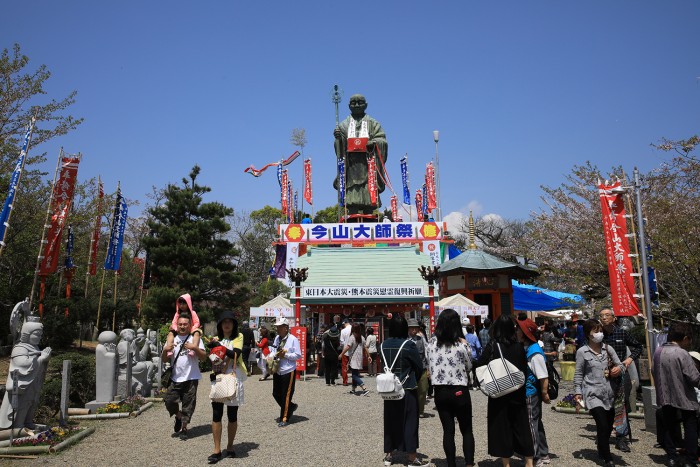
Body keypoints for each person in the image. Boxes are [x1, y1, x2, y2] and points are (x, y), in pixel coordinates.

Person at [476, 315, 534, 467]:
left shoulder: (493, 346)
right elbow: (524, 369)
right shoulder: (519, 346)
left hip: (499, 393)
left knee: (502, 427)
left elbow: (480, 363)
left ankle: (506, 463)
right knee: (522, 426)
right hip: (517, 391)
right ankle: (529, 461)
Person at [426, 309, 475, 467]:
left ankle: (451, 464)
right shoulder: (462, 344)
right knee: (466, 429)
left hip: (440, 392)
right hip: (459, 390)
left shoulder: (431, 344)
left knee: (448, 431)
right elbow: (469, 365)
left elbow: (429, 365)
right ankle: (468, 463)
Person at [573, 319, 624, 467]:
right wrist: (578, 392)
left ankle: (601, 447)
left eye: (600, 330)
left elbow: (620, 364)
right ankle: (608, 458)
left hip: (609, 393)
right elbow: (578, 374)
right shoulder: (582, 352)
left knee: (608, 426)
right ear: (588, 334)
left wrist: (618, 369)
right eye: (595, 331)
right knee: (602, 425)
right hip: (592, 393)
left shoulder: (608, 349)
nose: (599, 334)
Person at [381, 314, 428, 467]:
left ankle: (389, 455)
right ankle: (412, 457)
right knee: (410, 422)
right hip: (407, 387)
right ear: (404, 329)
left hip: (388, 388)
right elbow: (419, 367)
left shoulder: (383, 344)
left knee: (390, 421)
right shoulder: (409, 345)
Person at [332, 94, 389, 215]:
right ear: (349, 106)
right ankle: (352, 212)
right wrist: (339, 138)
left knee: (369, 199)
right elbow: (339, 149)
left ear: (366, 105)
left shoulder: (373, 123)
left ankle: (369, 213)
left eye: (360, 102)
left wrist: (373, 143)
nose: (357, 105)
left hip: (368, 164)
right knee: (352, 201)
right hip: (351, 166)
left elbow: (382, 141)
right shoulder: (343, 125)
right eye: (354, 103)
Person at [653, 321, 700, 467]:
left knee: (669, 425)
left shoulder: (658, 351)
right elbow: (694, 378)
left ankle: (672, 457)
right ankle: (691, 460)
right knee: (690, 426)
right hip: (684, 395)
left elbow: (653, 371)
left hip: (665, 394)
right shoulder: (682, 353)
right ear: (685, 338)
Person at [598, 308, 642, 452]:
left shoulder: (621, 333)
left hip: (621, 373)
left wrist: (628, 360)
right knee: (604, 405)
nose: (604, 318)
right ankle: (604, 437)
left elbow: (638, 347)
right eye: (601, 316)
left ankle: (621, 438)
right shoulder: (597, 335)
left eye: (607, 315)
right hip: (602, 375)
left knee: (621, 406)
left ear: (614, 318)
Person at [206, 311, 247, 464]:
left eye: (230, 321)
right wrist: (212, 346)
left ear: (234, 324)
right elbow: (212, 360)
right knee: (216, 414)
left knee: (232, 414)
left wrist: (219, 346)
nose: (227, 324)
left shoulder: (239, 337)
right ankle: (216, 449)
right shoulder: (217, 339)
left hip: (233, 378)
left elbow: (235, 354)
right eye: (224, 322)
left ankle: (230, 446)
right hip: (218, 378)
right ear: (220, 325)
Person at [162, 312, 206, 440]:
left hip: (191, 377)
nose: (182, 326)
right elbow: (164, 359)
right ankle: (179, 416)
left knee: (189, 404)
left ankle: (184, 427)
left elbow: (203, 357)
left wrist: (194, 347)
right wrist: (165, 350)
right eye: (180, 324)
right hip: (175, 378)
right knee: (169, 400)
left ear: (190, 325)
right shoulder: (172, 339)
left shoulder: (195, 338)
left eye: (185, 324)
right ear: (177, 325)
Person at [516, 318, 551, 467]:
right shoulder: (527, 348)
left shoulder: (534, 351)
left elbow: (543, 376)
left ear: (524, 333)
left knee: (531, 424)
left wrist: (544, 393)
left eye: (519, 329)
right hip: (530, 391)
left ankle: (535, 456)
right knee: (536, 423)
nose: (516, 331)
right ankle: (543, 453)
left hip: (531, 392)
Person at [271, 317, 301, 427]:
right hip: (277, 368)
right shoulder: (277, 338)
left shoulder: (293, 339)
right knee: (275, 393)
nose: (278, 329)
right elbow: (273, 350)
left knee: (286, 395)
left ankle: (284, 417)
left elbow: (298, 355)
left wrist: (286, 355)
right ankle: (291, 407)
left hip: (288, 370)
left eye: (280, 327)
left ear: (286, 328)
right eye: (277, 327)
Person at [339, 323, 372, 396]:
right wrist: (369, 356)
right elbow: (365, 347)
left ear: (352, 329)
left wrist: (341, 354)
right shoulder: (362, 337)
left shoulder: (352, 337)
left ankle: (364, 388)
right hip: (359, 357)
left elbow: (348, 347)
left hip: (353, 358)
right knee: (355, 373)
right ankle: (353, 389)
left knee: (354, 375)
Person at [408, 319, 430, 416]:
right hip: (409, 369)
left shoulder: (421, 339)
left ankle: (420, 410)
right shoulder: (405, 340)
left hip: (422, 368)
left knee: (423, 389)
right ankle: (411, 410)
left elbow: (427, 354)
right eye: (412, 328)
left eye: (416, 328)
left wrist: (429, 368)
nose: (414, 330)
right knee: (410, 390)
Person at [464, 324, 482, 390]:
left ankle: (468, 383)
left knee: (467, 371)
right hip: (474, 356)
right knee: (475, 371)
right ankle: (475, 384)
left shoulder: (464, 337)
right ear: (472, 330)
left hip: (466, 356)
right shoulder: (475, 337)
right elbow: (478, 347)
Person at [340, 319, 352, 385]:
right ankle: (355, 380)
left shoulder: (343, 331)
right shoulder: (354, 329)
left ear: (344, 323)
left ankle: (345, 381)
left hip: (345, 351)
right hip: (353, 350)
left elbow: (342, 342)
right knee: (354, 366)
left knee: (344, 366)